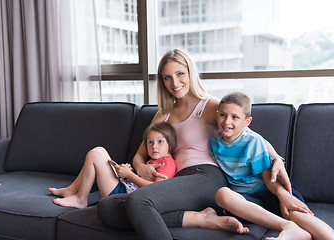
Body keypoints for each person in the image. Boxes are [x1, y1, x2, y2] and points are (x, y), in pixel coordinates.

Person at [97, 48, 291, 240]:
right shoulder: (162, 115)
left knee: (139, 200)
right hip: (175, 183)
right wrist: (140, 167)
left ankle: (200, 216)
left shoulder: (208, 106)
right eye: (167, 77)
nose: (174, 82)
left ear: (190, 73)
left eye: (180, 74)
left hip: (206, 177)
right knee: (107, 207)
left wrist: (276, 160)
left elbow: (252, 137)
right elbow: (139, 155)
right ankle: (200, 219)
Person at [210, 91, 334, 240]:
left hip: (273, 189)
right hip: (250, 200)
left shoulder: (253, 141)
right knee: (222, 194)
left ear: (247, 122)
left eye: (234, 117)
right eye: (223, 115)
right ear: (217, 114)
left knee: (296, 214)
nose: (227, 121)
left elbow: (268, 177)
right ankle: (291, 230)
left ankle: (294, 231)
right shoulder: (213, 142)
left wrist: (283, 197)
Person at [48, 122, 177, 209]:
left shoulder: (167, 163)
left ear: (170, 145)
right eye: (150, 142)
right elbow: (140, 181)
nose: (154, 146)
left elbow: (157, 189)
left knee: (94, 155)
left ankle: (80, 199)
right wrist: (127, 171)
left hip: (122, 197)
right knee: (100, 150)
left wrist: (130, 175)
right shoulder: (153, 160)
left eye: (160, 141)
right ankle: (71, 190)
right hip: (125, 187)